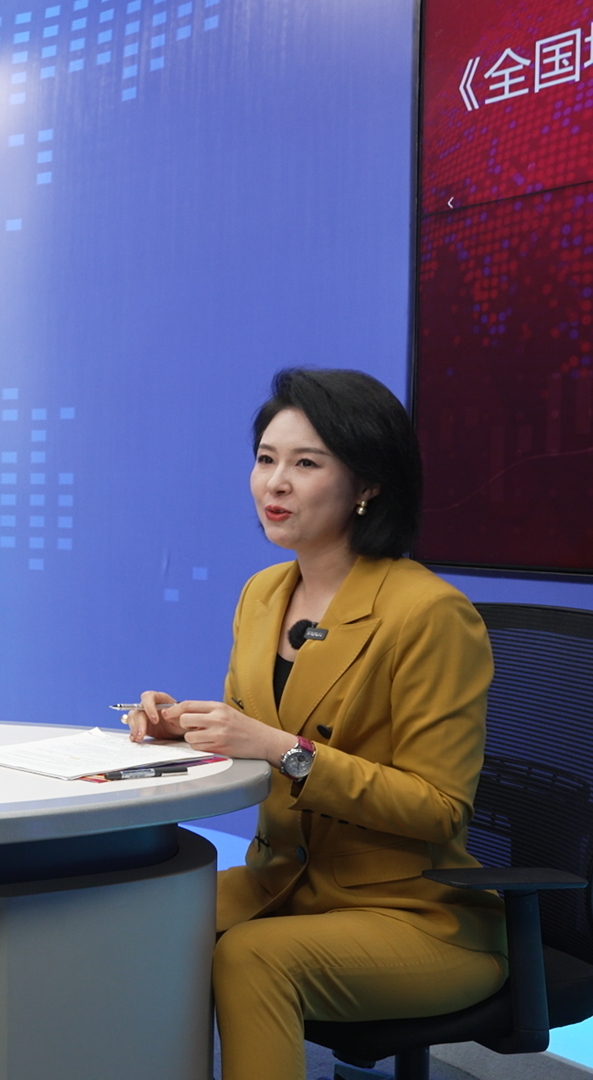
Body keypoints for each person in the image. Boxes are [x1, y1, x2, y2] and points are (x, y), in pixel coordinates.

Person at [125, 369, 505, 1080]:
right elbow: (261, 729)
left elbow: (439, 807)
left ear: (367, 485)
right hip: (278, 882)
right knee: (120, 917)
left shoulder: (429, 614)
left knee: (252, 958)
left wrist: (283, 750)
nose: (275, 483)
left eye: (306, 464)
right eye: (265, 459)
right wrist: (188, 728)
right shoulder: (263, 593)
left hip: (414, 912)